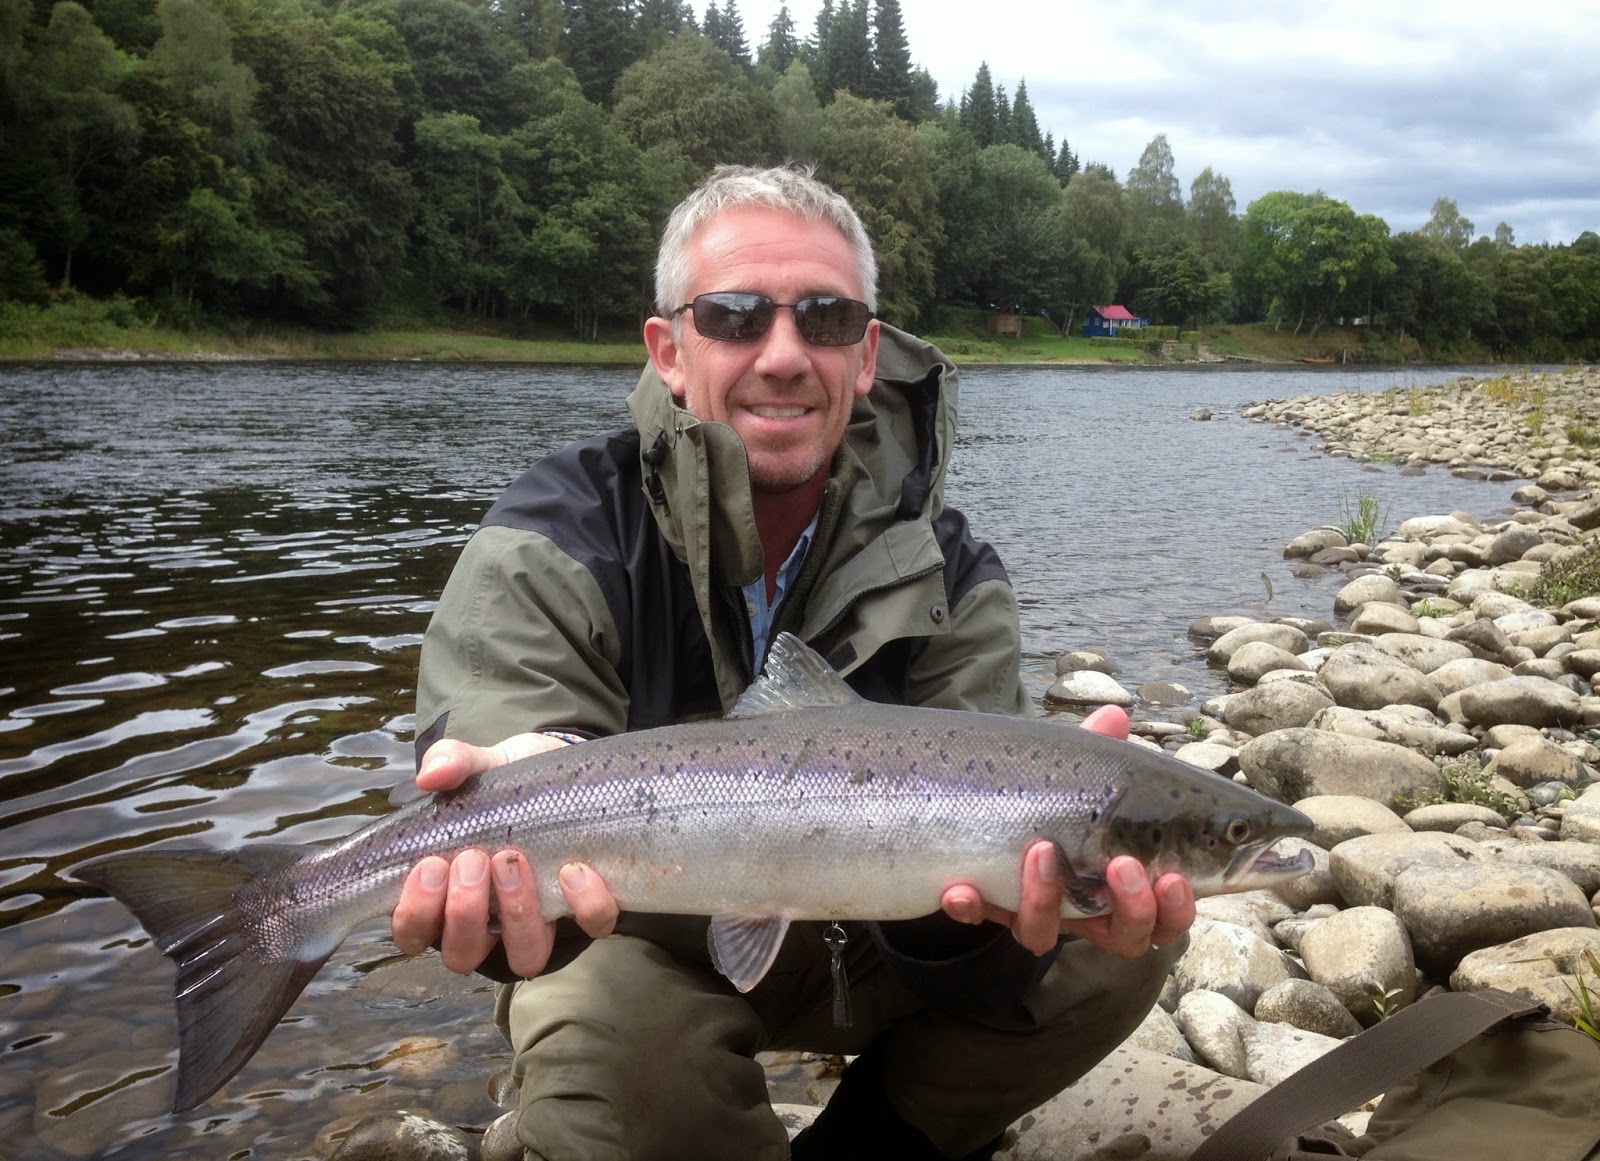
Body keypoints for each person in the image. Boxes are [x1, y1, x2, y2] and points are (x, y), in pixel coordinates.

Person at [395, 165, 1196, 1161]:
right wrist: (522, 768)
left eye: (823, 319)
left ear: (865, 357)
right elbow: (502, 713)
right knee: (597, 1022)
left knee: (1118, 933)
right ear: (670, 350)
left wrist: (984, 919)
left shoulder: (950, 570)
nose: (782, 354)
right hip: (647, 935)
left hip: (883, 930)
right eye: (734, 316)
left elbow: (988, 897)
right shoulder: (555, 535)